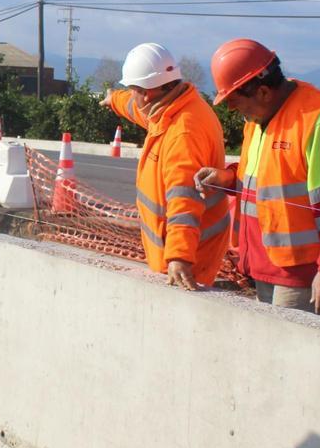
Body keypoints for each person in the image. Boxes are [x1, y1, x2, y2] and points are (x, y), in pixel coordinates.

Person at [194, 39, 320, 315]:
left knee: (290, 353)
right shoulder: (260, 120)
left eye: (238, 105)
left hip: (299, 275)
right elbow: (265, 179)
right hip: (264, 266)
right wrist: (227, 178)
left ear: (262, 91)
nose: (239, 114)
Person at [99, 43, 232, 289]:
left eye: (132, 89)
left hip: (190, 258)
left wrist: (179, 257)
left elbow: (185, 199)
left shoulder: (183, 132)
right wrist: (114, 100)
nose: (132, 95)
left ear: (147, 93)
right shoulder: (171, 108)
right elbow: (136, 108)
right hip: (177, 247)